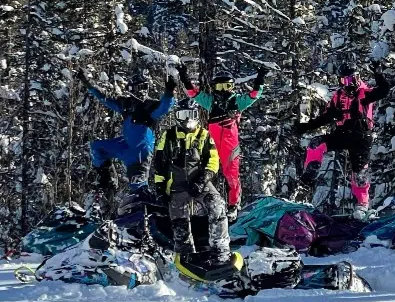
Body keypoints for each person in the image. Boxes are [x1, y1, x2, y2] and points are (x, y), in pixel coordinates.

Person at [295, 62, 389, 217]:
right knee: (316, 144)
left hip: (361, 136)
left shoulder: (364, 93)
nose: (348, 84)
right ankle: (308, 177)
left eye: (351, 80)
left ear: (357, 78)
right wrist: (307, 126)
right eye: (344, 81)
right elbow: (325, 116)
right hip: (343, 133)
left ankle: (362, 205)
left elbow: (383, 91)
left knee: (359, 172)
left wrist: (378, 74)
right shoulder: (338, 96)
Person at [178, 65, 266, 222]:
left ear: (232, 86)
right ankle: (201, 204)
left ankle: (233, 206)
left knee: (232, 176)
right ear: (214, 87)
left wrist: (260, 78)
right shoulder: (210, 101)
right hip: (211, 144)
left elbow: (254, 95)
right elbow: (192, 92)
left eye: (227, 86)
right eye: (220, 86)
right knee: (202, 172)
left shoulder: (237, 101)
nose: (224, 90)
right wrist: (183, 75)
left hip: (230, 145)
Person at [152, 98, 231, 265]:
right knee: (179, 218)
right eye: (184, 114)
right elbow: (159, 164)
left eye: (192, 115)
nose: (188, 119)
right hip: (176, 184)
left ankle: (220, 249)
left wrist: (203, 179)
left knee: (217, 204)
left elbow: (213, 159)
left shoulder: (204, 135)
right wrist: (159, 188)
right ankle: (186, 255)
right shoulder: (169, 135)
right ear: (177, 116)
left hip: (200, 181)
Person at [79, 68, 176, 193]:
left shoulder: (149, 106)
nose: (142, 91)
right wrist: (88, 83)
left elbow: (164, 107)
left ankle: (146, 207)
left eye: (145, 87)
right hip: (125, 145)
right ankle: (107, 179)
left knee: (138, 189)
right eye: (139, 87)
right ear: (131, 90)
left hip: (140, 152)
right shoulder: (125, 104)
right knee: (97, 147)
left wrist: (169, 92)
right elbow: (105, 98)